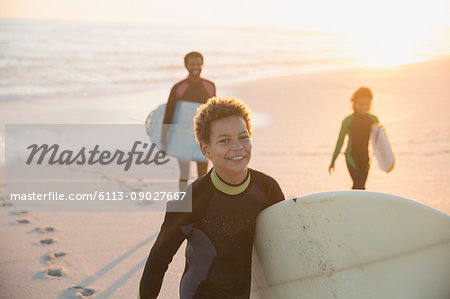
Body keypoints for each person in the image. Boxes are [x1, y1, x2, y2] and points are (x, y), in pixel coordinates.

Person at [139, 97, 285, 299]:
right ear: (205, 149)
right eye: (224, 140)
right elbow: (159, 259)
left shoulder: (267, 189)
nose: (237, 147)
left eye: (243, 137)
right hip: (201, 294)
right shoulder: (193, 199)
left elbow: (284, 247)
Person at [162, 51, 216, 191]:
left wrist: (216, 138)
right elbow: (169, 115)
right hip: (182, 138)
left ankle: (200, 205)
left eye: (198, 64)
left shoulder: (210, 87)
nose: (195, 67)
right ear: (186, 65)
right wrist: (163, 140)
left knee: (202, 174)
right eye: (192, 64)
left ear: (202, 65)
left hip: (202, 138)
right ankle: (183, 203)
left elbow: (214, 115)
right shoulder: (178, 88)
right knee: (184, 174)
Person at [328, 87, 380, 190]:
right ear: (354, 102)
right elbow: (340, 142)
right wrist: (333, 161)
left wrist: (384, 160)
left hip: (365, 158)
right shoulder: (347, 121)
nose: (364, 107)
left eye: (367, 104)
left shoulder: (373, 120)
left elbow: (380, 141)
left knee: (360, 187)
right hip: (351, 157)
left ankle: (352, 204)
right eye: (361, 104)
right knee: (359, 184)